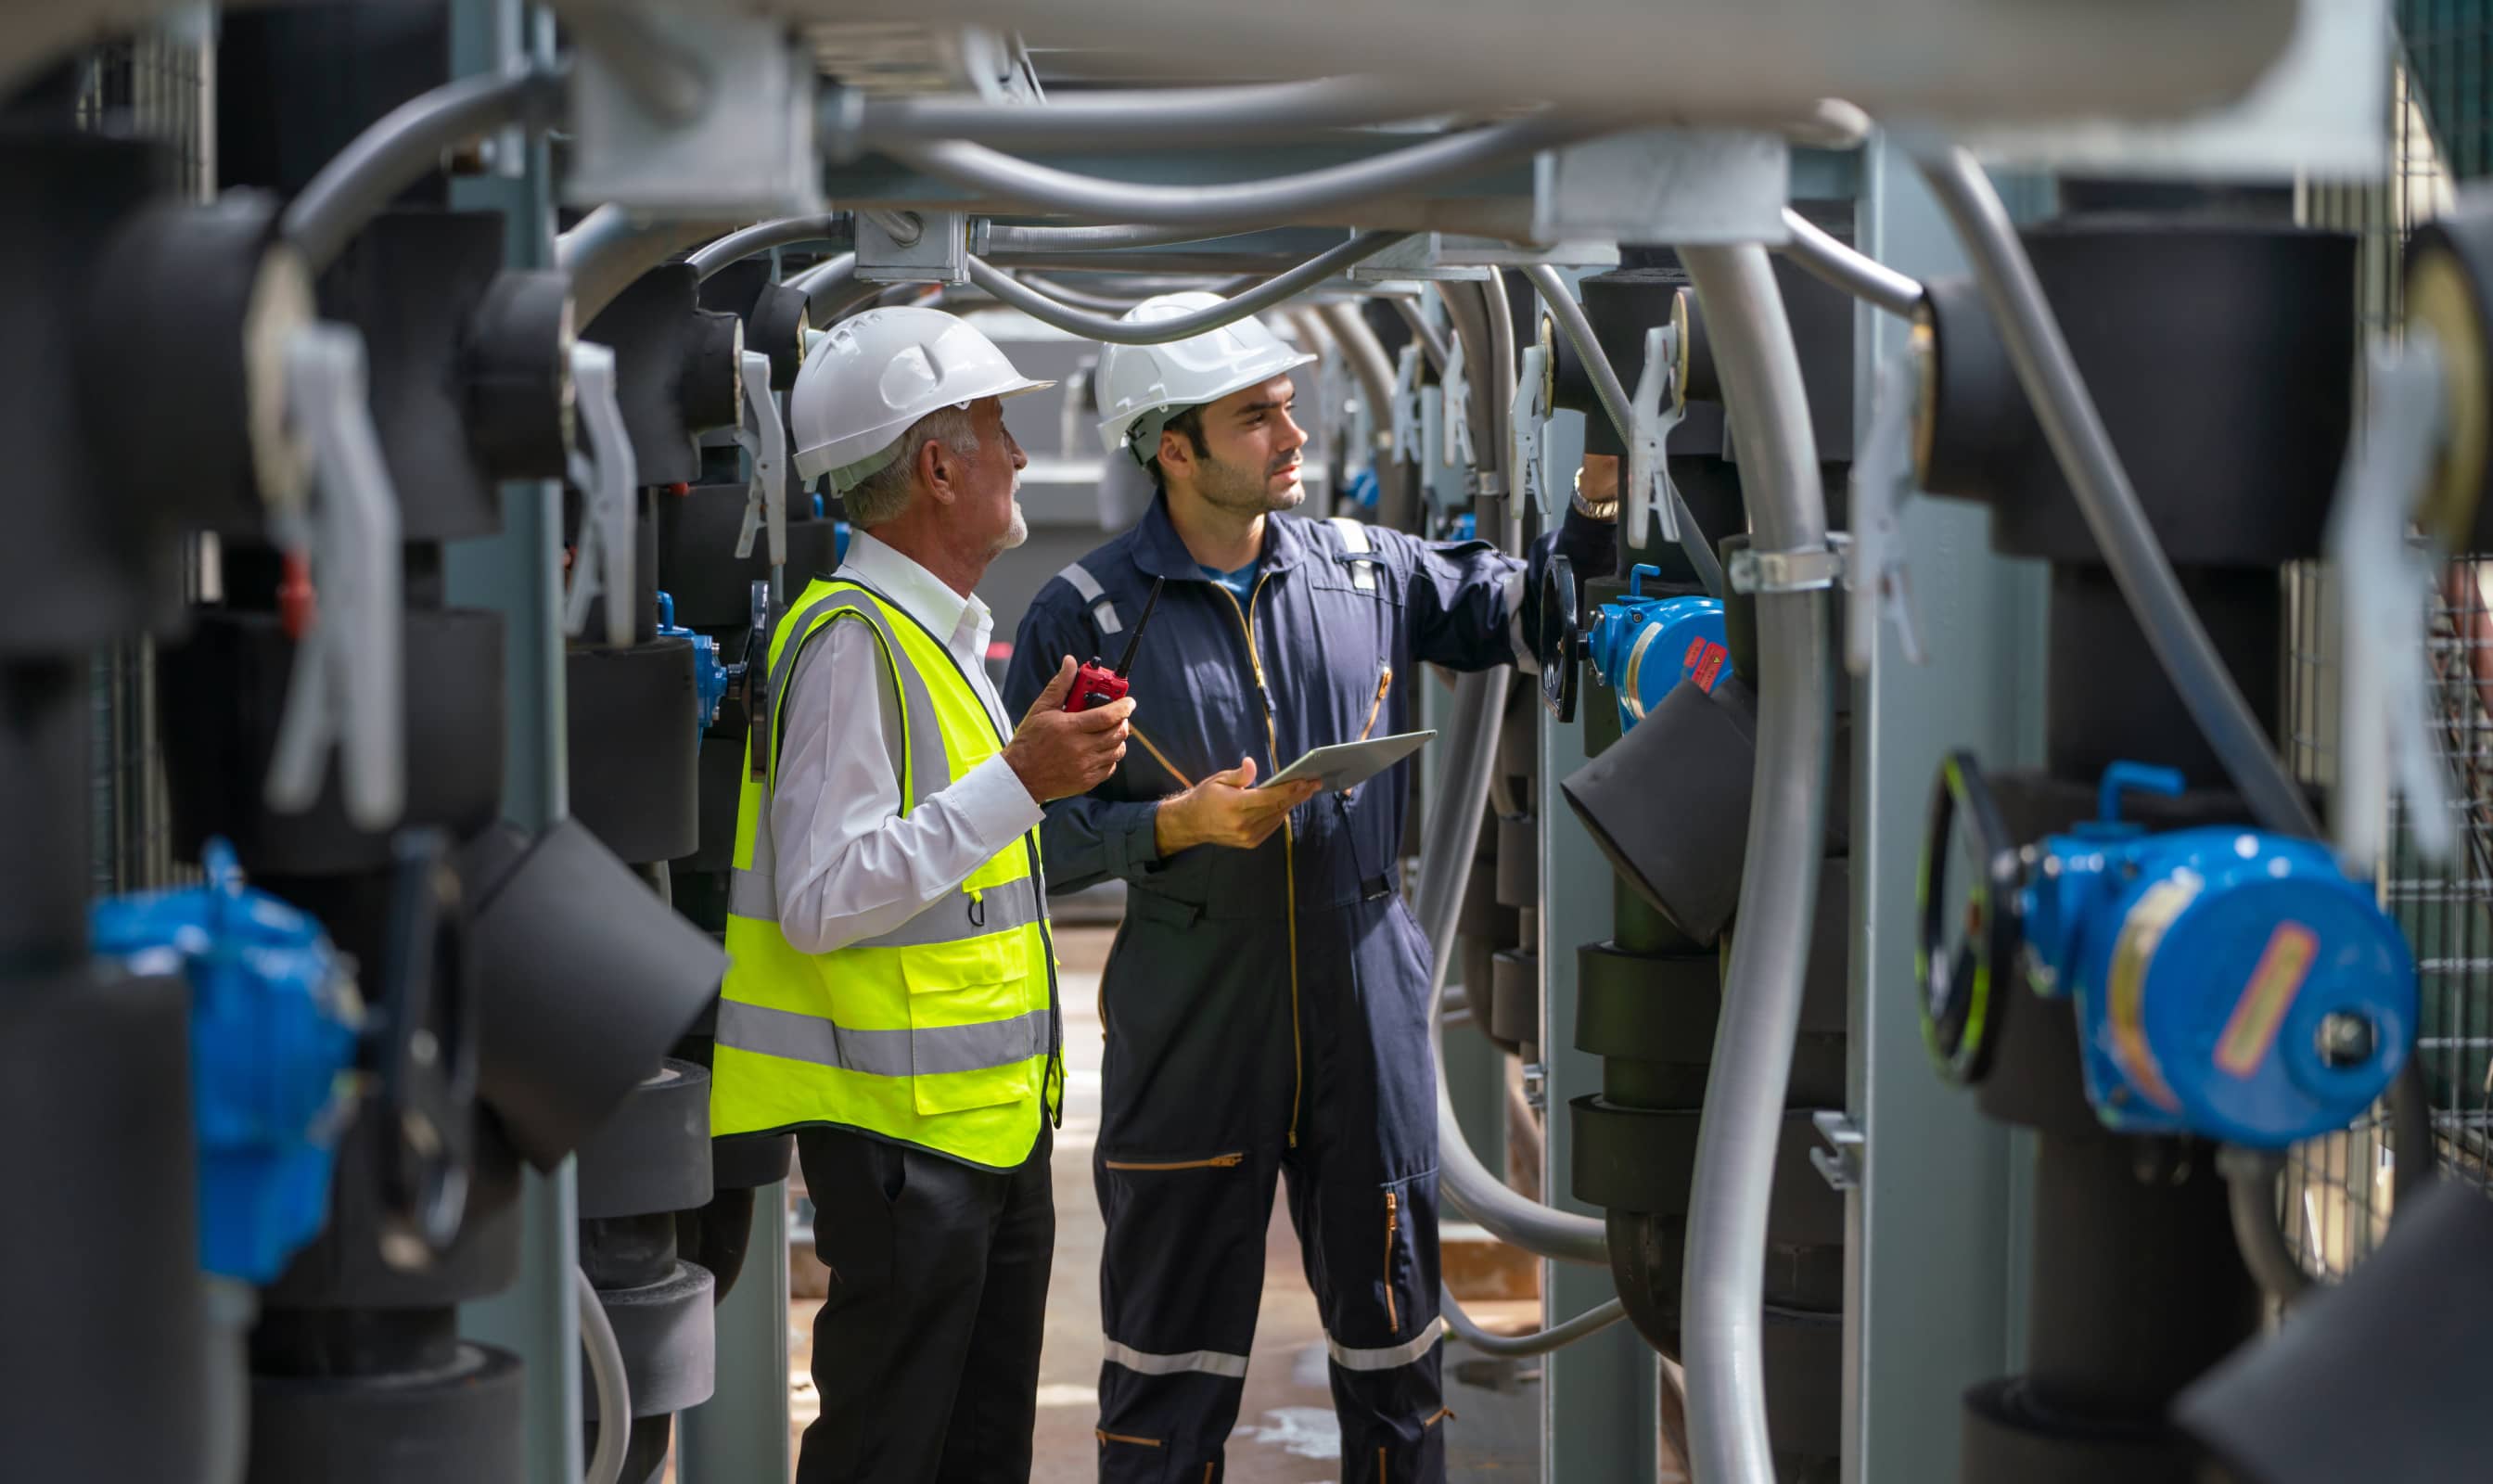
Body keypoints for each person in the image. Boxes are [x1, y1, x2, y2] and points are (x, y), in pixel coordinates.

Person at [1005, 292, 1617, 1481]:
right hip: (1194, 1016)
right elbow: (1033, 842)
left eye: (1290, 408)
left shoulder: (1362, 567)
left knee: (1398, 1370)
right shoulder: (1088, 622)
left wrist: (1594, 494)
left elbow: (1534, 612)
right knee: (1166, 1379)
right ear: (1171, 448)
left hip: (1365, 1000)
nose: (1293, 438)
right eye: (1255, 418)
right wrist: (1172, 827)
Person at [710, 305, 1135, 1484]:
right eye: (996, 428)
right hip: (906, 1147)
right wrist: (1018, 781)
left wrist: (1024, 765)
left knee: (975, 1453)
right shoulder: (853, 641)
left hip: (982, 1130)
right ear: (936, 467)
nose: (1017, 456)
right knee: (889, 1453)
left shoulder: (935, 637)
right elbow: (823, 893)